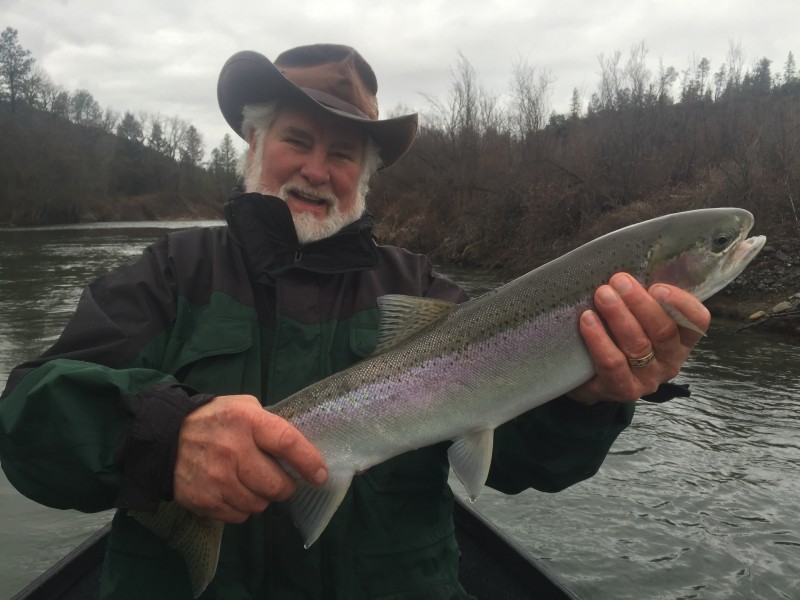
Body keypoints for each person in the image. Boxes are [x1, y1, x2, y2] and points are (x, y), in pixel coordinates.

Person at [0, 44, 710, 599]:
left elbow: (528, 464)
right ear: (254, 144)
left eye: (342, 152)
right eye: (296, 139)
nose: (316, 168)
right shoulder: (170, 272)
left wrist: (590, 401)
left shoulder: (425, 288)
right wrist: (163, 438)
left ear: (365, 173)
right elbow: (29, 420)